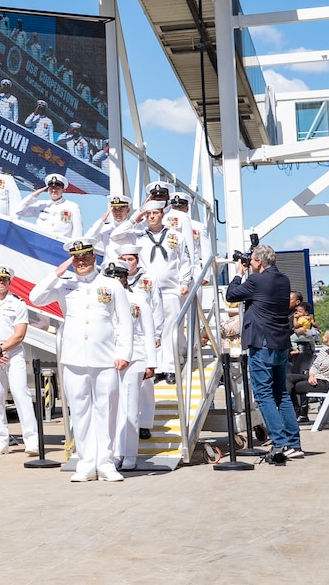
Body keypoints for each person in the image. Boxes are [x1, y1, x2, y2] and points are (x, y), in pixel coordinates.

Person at [30, 239, 134, 482]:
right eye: (76, 258)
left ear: (94, 258)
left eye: (85, 257)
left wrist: (124, 353)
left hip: (106, 356)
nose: (81, 262)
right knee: (79, 411)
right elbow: (36, 298)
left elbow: (124, 320)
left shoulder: (110, 285)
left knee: (106, 411)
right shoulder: (65, 284)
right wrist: (57, 272)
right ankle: (86, 463)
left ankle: (106, 462)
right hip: (75, 357)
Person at [226, 244, 304, 462]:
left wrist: (238, 274)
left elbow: (232, 295)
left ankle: (279, 443)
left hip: (262, 343)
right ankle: (293, 443)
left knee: (264, 394)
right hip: (280, 342)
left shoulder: (257, 280)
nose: (250, 264)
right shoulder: (284, 279)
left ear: (259, 262)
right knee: (281, 393)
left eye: (251, 261)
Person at [122, 199, 195, 381]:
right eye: (148, 214)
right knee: (149, 328)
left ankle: (170, 367)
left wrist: (185, 281)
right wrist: (135, 217)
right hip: (146, 288)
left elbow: (186, 260)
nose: (151, 217)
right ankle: (155, 367)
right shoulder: (138, 236)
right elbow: (117, 235)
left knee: (170, 329)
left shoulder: (175, 236)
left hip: (170, 288)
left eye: (155, 213)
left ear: (163, 214)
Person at [0, 265, 40, 456]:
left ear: (9, 282)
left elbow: (20, 334)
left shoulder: (18, 303)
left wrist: (2, 349)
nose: (1, 282)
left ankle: (31, 441)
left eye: (4, 279)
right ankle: (1, 441)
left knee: (21, 395)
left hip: (13, 354)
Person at [108, 246, 159, 470]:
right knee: (110, 408)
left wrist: (151, 363)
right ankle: (111, 453)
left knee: (129, 408)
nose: (114, 282)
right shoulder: (102, 301)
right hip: (108, 358)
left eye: (117, 277)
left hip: (135, 357)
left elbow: (148, 331)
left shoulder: (138, 299)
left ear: (124, 278)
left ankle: (129, 454)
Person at [290, 328, 329, 424]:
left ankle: (293, 413)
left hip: (326, 382)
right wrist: (312, 375)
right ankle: (293, 412)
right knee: (289, 378)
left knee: (292, 387)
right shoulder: (324, 350)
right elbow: (314, 365)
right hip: (316, 377)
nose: (323, 337)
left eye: (325, 336)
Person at [16, 173, 84, 241]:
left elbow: (78, 231)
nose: (54, 190)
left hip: (60, 245)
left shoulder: (72, 207)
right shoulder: (41, 204)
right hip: (40, 242)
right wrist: (35, 194)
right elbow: (19, 211)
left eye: (57, 188)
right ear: (47, 190)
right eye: (51, 188)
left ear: (63, 190)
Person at [87, 195, 133, 267]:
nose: (118, 213)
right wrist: (102, 220)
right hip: (109, 267)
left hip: (128, 267)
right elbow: (89, 239)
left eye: (121, 210)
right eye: (115, 210)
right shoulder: (105, 228)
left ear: (128, 210)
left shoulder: (133, 227)